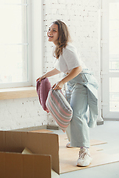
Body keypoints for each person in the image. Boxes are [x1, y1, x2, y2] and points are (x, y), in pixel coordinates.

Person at [36, 20, 98, 167]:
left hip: (81, 82)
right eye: (49, 29)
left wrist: (62, 82)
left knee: (77, 115)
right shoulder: (58, 48)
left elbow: (78, 68)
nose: (49, 33)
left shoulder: (68, 49)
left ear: (61, 33)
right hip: (71, 82)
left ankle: (85, 152)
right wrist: (45, 75)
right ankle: (76, 141)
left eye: (54, 30)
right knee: (68, 114)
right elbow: (60, 68)